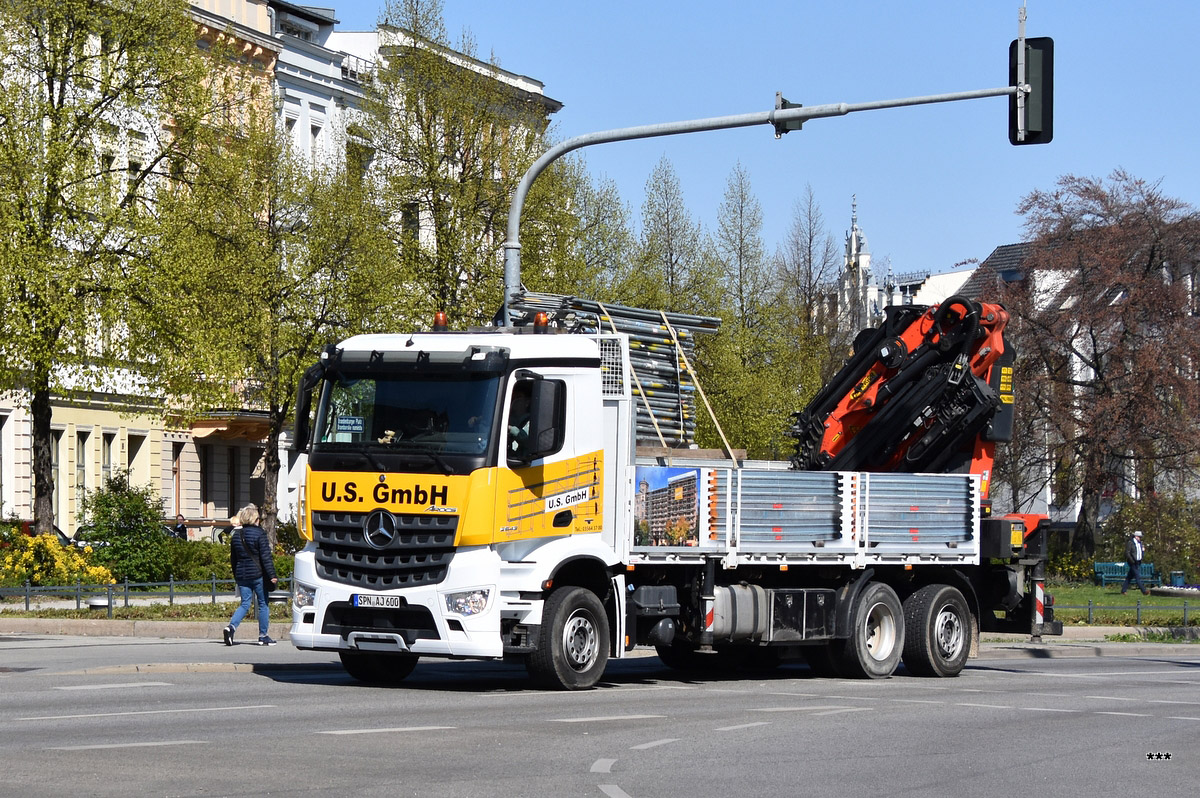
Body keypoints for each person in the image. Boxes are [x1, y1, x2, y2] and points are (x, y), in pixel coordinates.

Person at [223, 504, 278, 646]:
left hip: (242, 575)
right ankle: (263, 636)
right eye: (258, 518)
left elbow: (233, 559)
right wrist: (272, 574)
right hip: (257, 574)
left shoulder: (236, 535)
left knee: (245, 604)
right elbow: (265, 557)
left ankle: (231, 627)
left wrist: (237, 575)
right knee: (263, 604)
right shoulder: (259, 534)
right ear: (254, 519)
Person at [1121, 529, 1150, 596]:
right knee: (1137, 577)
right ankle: (1144, 591)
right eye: (1140, 537)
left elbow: (1140, 552)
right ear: (1136, 536)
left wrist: (1143, 552)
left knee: (1129, 577)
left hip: (1138, 562)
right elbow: (1127, 553)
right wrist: (1132, 560)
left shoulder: (1140, 543)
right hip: (1133, 562)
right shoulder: (1130, 543)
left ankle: (1123, 590)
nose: (1140, 538)